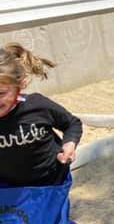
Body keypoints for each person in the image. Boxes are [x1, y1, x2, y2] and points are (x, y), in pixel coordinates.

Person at [0, 44, 81, 187]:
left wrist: (69, 144)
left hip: (52, 182)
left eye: (1, 93)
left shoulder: (37, 106)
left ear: (21, 84)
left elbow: (72, 123)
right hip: (10, 189)